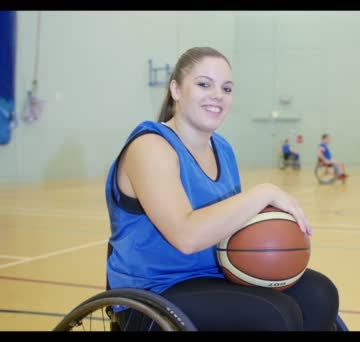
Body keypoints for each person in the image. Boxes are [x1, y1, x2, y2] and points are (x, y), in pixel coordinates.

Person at [105, 47, 339, 331]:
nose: (218, 95)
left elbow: (231, 228)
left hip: (216, 275)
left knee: (320, 294)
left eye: (226, 88)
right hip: (155, 292)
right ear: (176, 90)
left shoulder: (223, 149)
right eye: (204, 84)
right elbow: (186, 236)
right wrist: (263, 192)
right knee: (277, 315)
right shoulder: (150, 147)